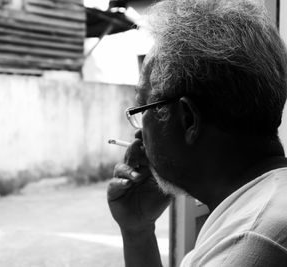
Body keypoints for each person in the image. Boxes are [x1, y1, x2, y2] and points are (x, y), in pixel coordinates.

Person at [107, 0, 287, 266]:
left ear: (188, 118)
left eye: (143, 106)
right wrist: (138, 231)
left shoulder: (247, 246)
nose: (138, 136)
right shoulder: (270, 201)